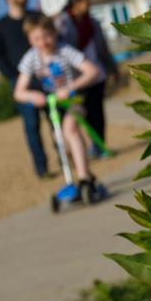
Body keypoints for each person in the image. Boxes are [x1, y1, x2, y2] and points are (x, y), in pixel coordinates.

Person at [13, 15, 102, 190]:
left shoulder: (65, 51)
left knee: (71, 129)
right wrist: (33, 96)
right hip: (53, 105)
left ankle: (84, 179)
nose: (43, 42)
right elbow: (19, 92)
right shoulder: (31, 58)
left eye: (47, 36)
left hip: (75, 99)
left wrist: (70, 87)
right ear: (30, 39)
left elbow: (92, 71)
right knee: (61, 140)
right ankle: (84, 173)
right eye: (36, 39)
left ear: (54, 33)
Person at [0, 0, 48, 177]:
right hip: (22, 83)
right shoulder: (0, 27)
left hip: (46, 77)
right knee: (32, 126)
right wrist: (14, 78)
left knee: (58, 118)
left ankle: (68, 158)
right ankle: (41, 168)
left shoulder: (37, 18)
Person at [55, 0, 118, 158]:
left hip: (97, 74)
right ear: (74, 5)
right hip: (78, 79)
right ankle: (84, 148)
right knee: (83, 114)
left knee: (98, 113)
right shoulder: (63, 25)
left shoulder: (93, 23)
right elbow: (60, 49)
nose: (86, 5)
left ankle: (100, 146)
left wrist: (112, 68)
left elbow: (103, 48)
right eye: (83, 3)